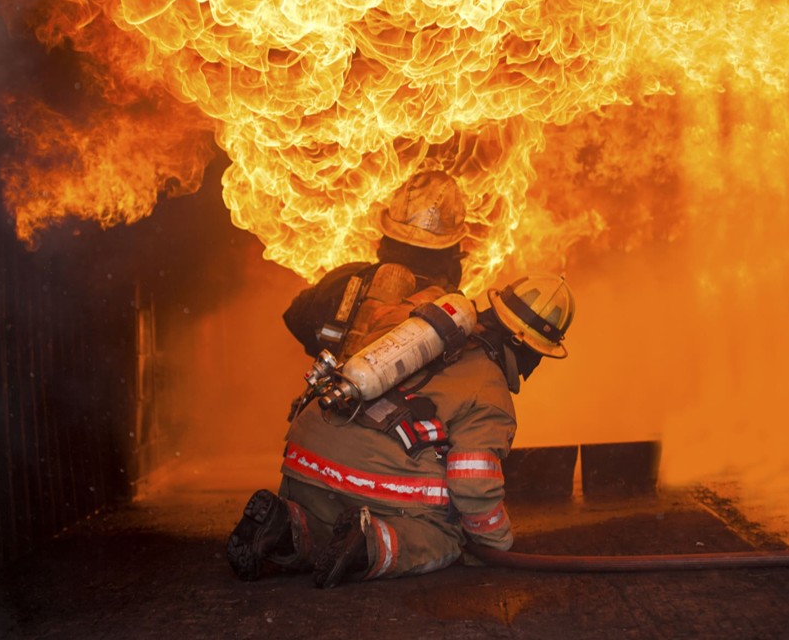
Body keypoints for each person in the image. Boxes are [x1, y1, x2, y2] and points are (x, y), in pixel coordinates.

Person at [226, 272, 576, 587]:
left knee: (330, 520)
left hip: (304, 458)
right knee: (446, 532)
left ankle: (284, 524)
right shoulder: (491, 393)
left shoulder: (415, 322)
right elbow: (473, 486)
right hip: (363, 483)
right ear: (525, 348)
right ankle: (368, 545)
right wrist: (496, 540)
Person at [282, 169, 468, 362]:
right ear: (451, 250)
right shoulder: (453, 310)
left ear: (386, 236)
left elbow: (297, 317)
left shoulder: (344, 280)